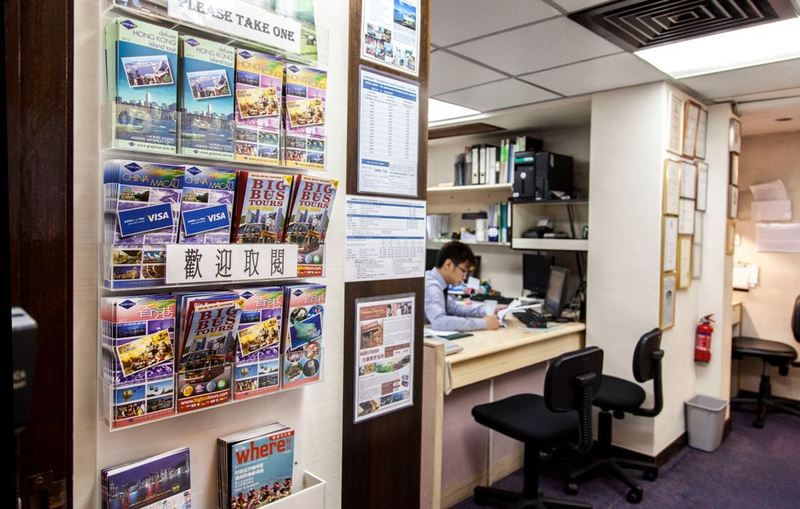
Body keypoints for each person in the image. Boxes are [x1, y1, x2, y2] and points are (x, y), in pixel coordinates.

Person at [425, 241, 500, 331]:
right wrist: (484, 323)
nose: (464, 278)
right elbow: (439, 322)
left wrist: (486, 312)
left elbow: (454, 308)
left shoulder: (439, 284)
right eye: (463, 271)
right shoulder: (431, 286)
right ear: (448, 265)